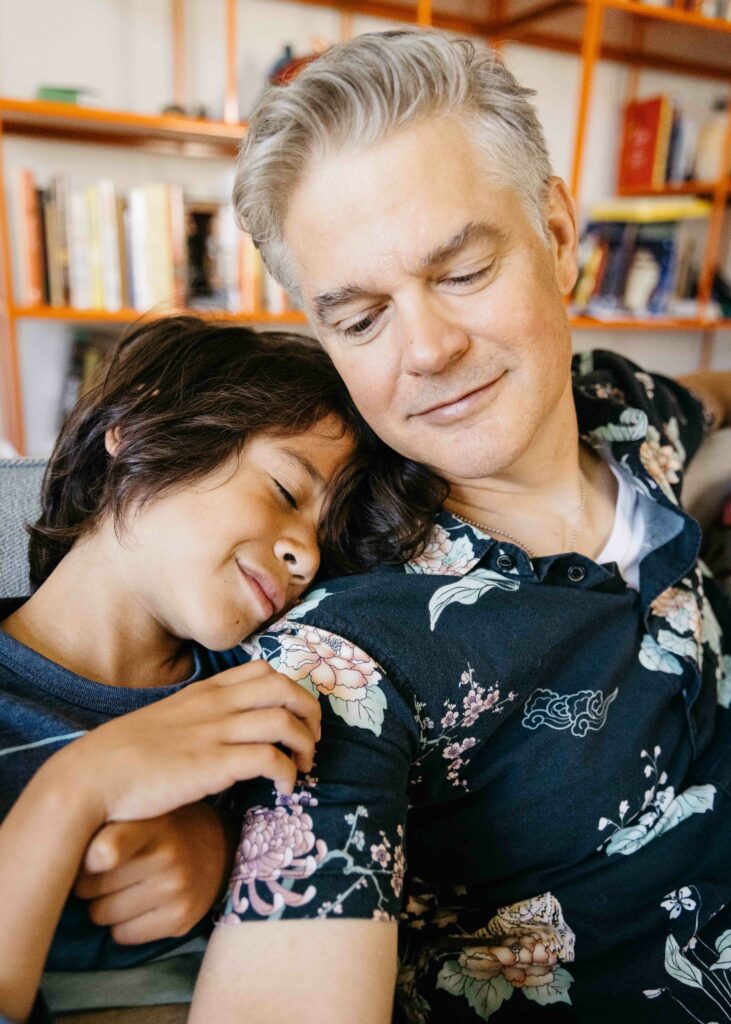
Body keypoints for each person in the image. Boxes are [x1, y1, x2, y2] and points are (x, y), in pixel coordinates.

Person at [188, 29, 731, 1024]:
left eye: (461, 271)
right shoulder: (341, 652)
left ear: (558, 237)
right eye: (359, 319)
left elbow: (703, 394)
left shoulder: (623, 406)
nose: (428, 350)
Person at [0, 315, 438, 1024]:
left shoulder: (276, 687)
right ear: (140, 427)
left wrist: (231, 852)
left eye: (323, 543)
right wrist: (76, 789)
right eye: (286, 492)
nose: (306, 558)